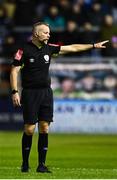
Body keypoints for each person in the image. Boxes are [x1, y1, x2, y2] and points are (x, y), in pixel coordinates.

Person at [10, 22, 108, 173]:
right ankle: (25, 163)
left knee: (44, 127)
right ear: (36, 34)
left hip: (46, 93)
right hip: (30, 93)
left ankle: (41, 165)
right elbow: (14, 71)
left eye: (49, 32)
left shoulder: (49, 48)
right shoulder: (24, 50)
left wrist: (93, 46)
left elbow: (72, 47)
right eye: (45, 32)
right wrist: (14, 91)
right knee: (29, 129)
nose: (48, 35)